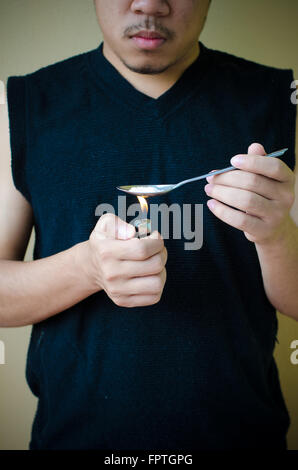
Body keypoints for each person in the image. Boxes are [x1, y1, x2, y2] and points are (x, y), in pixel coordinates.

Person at [1, 0, 297, 450]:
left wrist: (276, 237)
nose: (150, 3)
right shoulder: (22, 105)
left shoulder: (281, 100)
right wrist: (87, 269)